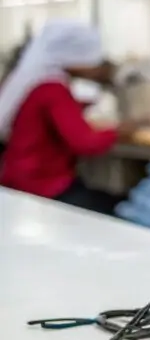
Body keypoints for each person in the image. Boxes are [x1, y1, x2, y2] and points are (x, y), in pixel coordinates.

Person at [0, 19, 142, 215]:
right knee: (124, 206)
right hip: (41, 184)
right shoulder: (54, 88)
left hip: (17, 178)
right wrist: (120, 131)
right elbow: (85, 143)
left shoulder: (38, 82)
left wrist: (81, 107)